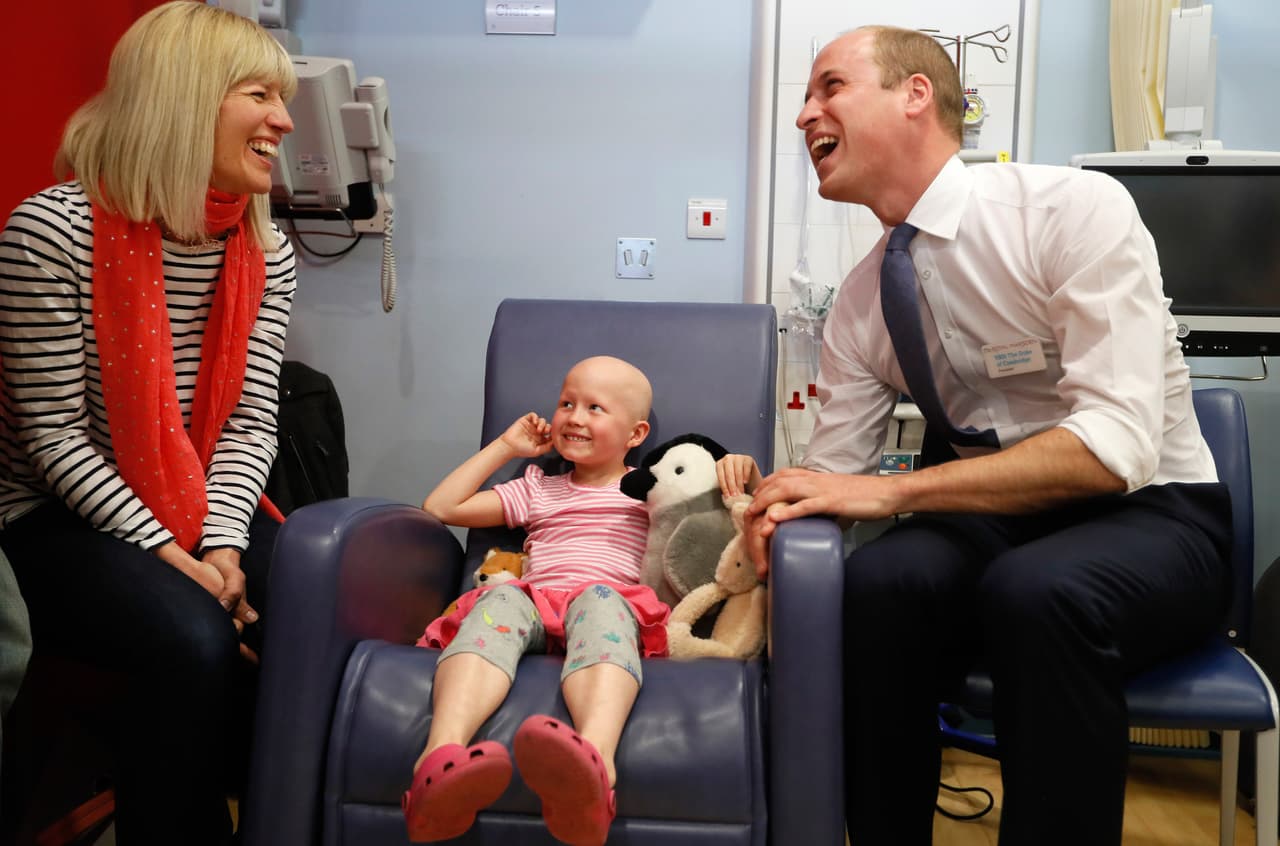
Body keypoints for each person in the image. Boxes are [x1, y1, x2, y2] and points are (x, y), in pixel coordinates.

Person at [742, 25, 1232, 846]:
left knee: (1040, 591)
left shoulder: (1071, 210)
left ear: (915, 96)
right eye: (804, 96)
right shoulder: (863, 304)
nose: (804, 115)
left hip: (1155, 517)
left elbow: (1114, 445)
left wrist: (894, 490)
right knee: (877, 586)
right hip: (997, 528)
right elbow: (837, 475)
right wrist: (781, 515)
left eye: (829, 87)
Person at [0, 3, 297, 844]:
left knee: (311, 597)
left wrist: (225, 548)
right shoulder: (50, 231)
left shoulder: (266, 251)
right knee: (192, 635)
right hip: (50, 514)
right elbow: (53, 435)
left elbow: (249, 422)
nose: (282, 118)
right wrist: (172, 558)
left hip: (199, 497)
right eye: (258, 95)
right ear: (183, 100)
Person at [404, 355, 667, 846]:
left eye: (595, 408)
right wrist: (507, 446)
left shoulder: (649, 494)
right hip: (534, 599)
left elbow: (712, 523)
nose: (574, 416)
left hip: (603, 601)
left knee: (603, 601)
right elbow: (441, 508)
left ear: (636, 434)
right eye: (566, 402)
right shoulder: (538, 489)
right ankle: (438, 763)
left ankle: (594, 771)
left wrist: (743, 471)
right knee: (497, 600)